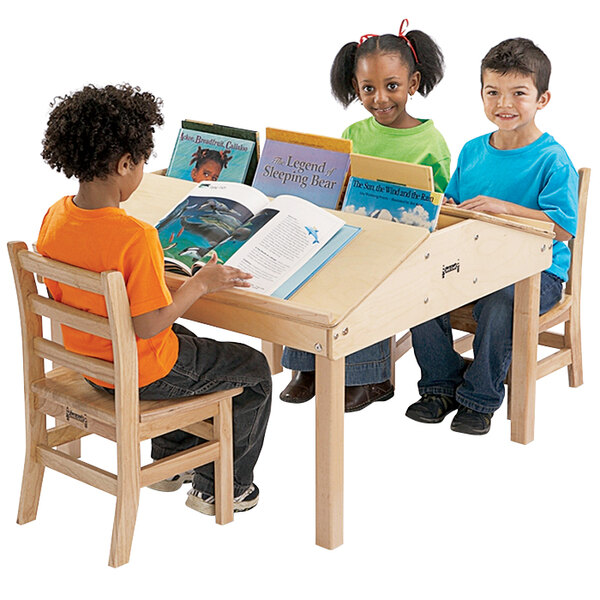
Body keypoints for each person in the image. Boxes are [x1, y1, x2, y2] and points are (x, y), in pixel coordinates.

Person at [36, 83, 272, 513]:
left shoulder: (55, 216)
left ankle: (168, 463)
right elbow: (147, 326)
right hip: (135, 372)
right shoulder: (135, 237)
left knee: (183, 339)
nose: (143, 171)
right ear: (125, 162)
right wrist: (201, 283)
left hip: (92, 364)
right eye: (142, 162)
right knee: (253, 369)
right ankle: (221, 487)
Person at [406, 38, 579, 435]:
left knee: (501, 302)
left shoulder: (552, 158)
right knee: (416, 287)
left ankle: (479, 398)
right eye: (493, 92)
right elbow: (454, 206)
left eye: (519, 93)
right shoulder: (471, 151)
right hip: (473, 263)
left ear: (542, 98)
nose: (504, 103)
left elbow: (564, 228)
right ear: (481, 95)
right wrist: (444, 204)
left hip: (538, 273)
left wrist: (506, 207)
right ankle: (440, 384)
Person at [280, 20, 450, 412]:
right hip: (354, 230)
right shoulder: (355, 130)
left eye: (392, 86)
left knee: (367, 278)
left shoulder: (431, 141)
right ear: (356, 89)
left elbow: (437, 204)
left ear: (413, 82)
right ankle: (307, 366)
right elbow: (341, 183)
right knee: (309, 263)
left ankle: (370, 376)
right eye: (368, 89)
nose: (380, 99)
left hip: (401, 245)